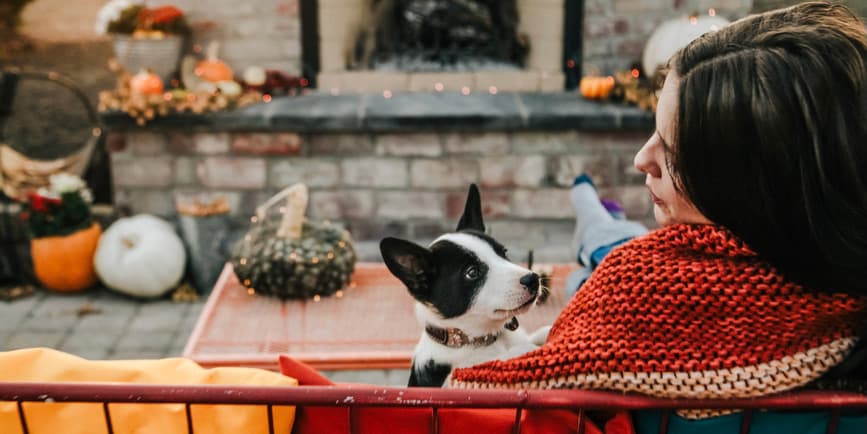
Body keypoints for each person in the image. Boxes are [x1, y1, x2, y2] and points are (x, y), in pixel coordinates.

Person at [448, 2, 867, 432]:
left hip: (617, 267)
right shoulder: (842, 304)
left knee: (602, 252)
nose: (641, 158)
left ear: (753, 183)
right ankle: (593, 220)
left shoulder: (635, 290)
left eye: (674, 149)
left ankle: (590, 216)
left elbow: (464, 394)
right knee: (607, 245)